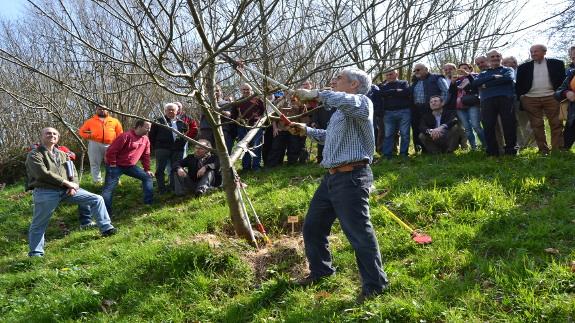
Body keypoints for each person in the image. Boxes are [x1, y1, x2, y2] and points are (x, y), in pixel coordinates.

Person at [288, 68, 389, 302]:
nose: (334, 81)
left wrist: (315, 93)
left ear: (354, 85)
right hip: (331, 178)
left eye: (339, 78)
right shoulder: (340, 113)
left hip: (352, 177)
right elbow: (330, 136)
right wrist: (306, 130)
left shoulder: (362, 103)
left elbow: (344, 101)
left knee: (358, 234)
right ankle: (321, 271)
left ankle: (375, 285)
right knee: (312, 227)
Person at [26, 127, 116, 257]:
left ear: (58, 137)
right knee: (39, 223)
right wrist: (67, 183)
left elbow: (72, 171)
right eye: (48, 133)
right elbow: (42, 174)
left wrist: (74, 186)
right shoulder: (34, 154)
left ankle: (106, 228)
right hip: (46, 192)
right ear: (41, 136)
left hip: (66, 190)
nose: (52, 135)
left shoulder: (62, 154)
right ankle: (36, 253)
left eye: (54, 133)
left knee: (97, 199)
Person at [26, 143, 95, 229]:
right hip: (46, 188)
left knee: (87, 197)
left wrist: (73, 186)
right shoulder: (36, 151)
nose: (51, 137)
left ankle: (86, 222)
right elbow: (41, 172)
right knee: (40, 221)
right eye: (48, 134)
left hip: (66, 186)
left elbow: (72, 157)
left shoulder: (62, 148)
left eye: (54, 135)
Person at [516, 44, 566, 154]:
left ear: (544, 52)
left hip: (552, 97)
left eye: (536, 51)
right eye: (531, 51)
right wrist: (522, 97)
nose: (533, 53)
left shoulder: (557, 64)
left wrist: (559, 94)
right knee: (536, 125)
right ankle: (543, 150)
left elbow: (563, 81)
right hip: (530, 99)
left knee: (556, 123)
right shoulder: (523, 67)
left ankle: (557, 150)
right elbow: (518, 85)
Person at [102, 120, 154, 216]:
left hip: (130, 166)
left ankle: (148, 204)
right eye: (147, 127)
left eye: (150, 128)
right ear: (139, 126)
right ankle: (106, 214)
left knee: (147, 177)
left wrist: (147, 169)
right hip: (115, 166)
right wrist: (112, 164)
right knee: (108, 189)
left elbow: (146, 155)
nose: (149, 130)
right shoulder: (125, 136)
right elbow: (111, 151)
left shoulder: (145, 139)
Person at [472, 49, 517, 156]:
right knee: (488, 126)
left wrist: (486, 85)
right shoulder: (483, 73)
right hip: (487, 101)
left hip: (505, 98)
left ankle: (511, 150)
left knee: (509, 124)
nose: (495, 58)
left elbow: (508, 79)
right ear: (488, 59)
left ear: (501, 57)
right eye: (492, 57)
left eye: (497, 56)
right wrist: (492, 77)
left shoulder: (508, 69)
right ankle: (492, 151)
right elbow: (475, 83)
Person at [149, 103, 189, 193]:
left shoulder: (182, 123)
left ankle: (174, 187)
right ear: (165, 111)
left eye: (173, 109)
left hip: (177, 150)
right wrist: (157, 147)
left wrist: (181, 146)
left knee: (175, 168)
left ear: (177, 111)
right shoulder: (158, 121)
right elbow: (151, 135)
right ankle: (161, 189)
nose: (171, 111)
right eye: (168, 109)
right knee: (160, 169)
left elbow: (185, 136)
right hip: (162, 149)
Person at [78, 104, 123, 184]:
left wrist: (117, 144)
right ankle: (97, 182)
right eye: (100, 109)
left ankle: (115, 181)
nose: (102, 110)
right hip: (95, 143)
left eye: (104, 109)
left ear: (107, 110)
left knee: (113, 163)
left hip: (111, 144)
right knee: (94, 163)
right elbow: (82, 132)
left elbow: (120, 133)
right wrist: (90, 136)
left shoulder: (114, 121)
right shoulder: (90, 121)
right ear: (97, 110)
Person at [410, 63, 449, 152]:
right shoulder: (415, 81)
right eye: (415, 70)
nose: (416, 72)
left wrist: (441, 104)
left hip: (431, 108)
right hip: (417, 109)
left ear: (426, 69)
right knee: (417, 128)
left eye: (418, 70)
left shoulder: (437, 78)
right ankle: (419, 149)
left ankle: (438, 149)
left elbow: (445, 92)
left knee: (431, 127)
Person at [502, 56, 536, 150]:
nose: (503, 65)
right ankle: (520, 144)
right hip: (508, 102)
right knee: (515, 124)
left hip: (522, 100)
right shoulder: (504, 73)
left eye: (505, 63)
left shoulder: (522, 71)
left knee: (526, 123)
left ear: (514, 63)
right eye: (503, 63)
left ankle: (532, 144)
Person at [230, 83, 266, 171]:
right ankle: (246, 167)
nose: (246, 91)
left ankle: (256, 166)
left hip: (256, 126)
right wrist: (238, 120)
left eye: (248, 89)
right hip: (242, 127)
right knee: (245, 147)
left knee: (256, 146)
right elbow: (233, 116)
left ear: (251, 90)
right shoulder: (237, 102)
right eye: (244, 89)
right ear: (241, 91)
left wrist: (260, 119)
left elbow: (264, 112)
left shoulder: (258, 100)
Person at [378, 70, 411, 159]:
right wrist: (396, 91)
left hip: (404, 111)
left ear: (397, 74)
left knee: (405, 134)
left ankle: (404, 154)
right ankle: (387, 155)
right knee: (388, 134)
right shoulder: (383, 86)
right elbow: (381, 94)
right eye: (387, 75)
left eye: (391, 74)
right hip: (388, 112)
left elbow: (406, 92)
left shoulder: (403, 82)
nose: (389, 76)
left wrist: (389, 93)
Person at [454, 63, 486, 150]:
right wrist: (452, 83)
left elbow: (475, 85)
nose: (463, 71)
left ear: (470, 69)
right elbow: (452, 93)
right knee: (467, 128)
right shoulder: (457, 80)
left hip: (473, 104)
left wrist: (468, 75)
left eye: (465, 68)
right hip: (459, 106)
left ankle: (486, 145)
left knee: (476, 126)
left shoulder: (475, 76)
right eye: (461, 70)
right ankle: (474, 147)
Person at [555, 66, 575, 150]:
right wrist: (566, 93)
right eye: (573, 58)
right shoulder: (572, 73)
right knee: (564, 147)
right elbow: (558, 92)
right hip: (573, 116)